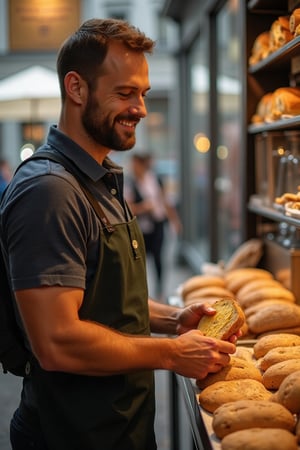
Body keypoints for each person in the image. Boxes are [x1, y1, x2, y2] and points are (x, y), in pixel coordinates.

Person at [0, 19, 240, 450]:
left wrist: (174, 319)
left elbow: (105, 296)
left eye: (143, 94)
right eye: (125, 93)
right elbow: (56, 342)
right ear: (76, 88)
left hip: (119, 425)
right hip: (70, 434)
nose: (141, 110)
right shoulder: (50, 190)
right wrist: (170, 353)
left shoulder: (99, 178)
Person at [125, 153, 182, 297]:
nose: (134, 167)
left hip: (157, 224)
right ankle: (141, 289)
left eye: (136, 164)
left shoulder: (155, 179)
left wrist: (174, 220)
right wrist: (144, 207)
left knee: (158, 257)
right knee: (140, 259)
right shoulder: (129, 183)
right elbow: (128, 208)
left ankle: (160, 288)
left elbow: (165, 201)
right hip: (140, 228)